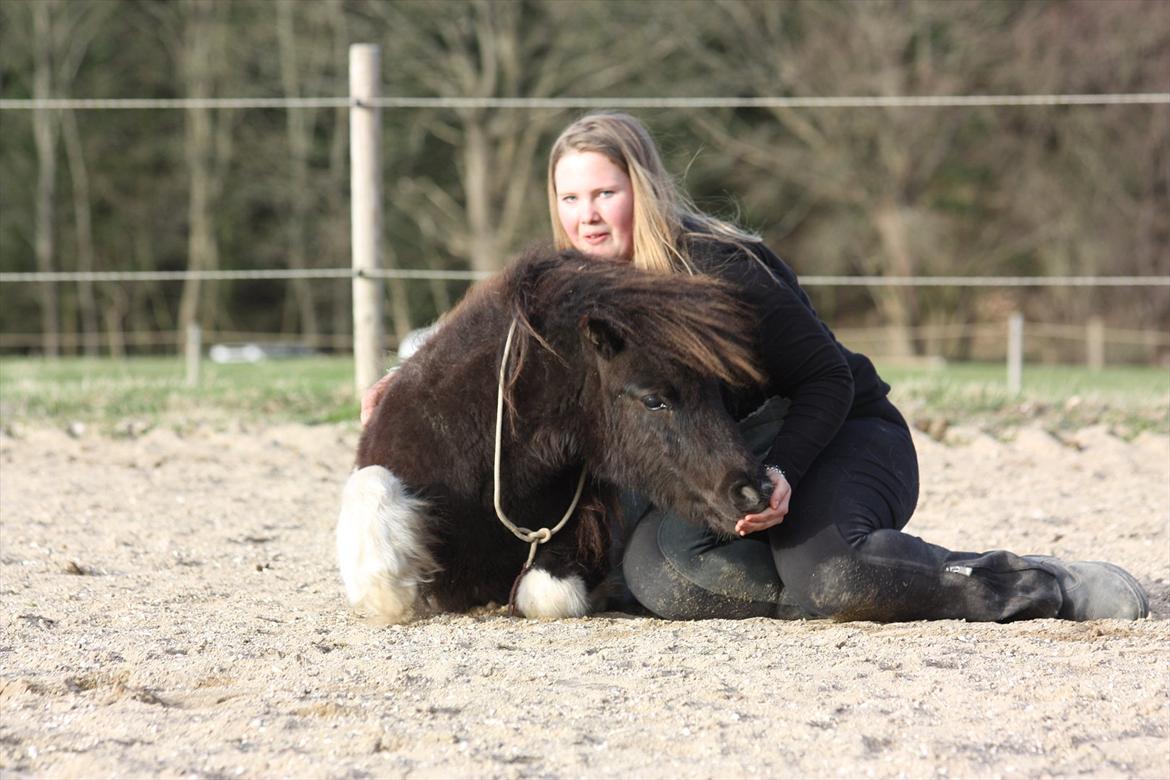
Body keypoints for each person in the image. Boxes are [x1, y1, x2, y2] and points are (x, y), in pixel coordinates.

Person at [363, 112, 1149, 622]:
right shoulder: (582, 299)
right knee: (660, 579)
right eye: (571, 200)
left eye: (605, 193)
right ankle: (833, 578)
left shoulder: (721, 268)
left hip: (836, 434)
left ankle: (1037, 583)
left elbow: (827, 380)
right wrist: (409, 376)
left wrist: (784, 472)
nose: (587, 216)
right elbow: (492, 341)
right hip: (724, 464)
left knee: (832, 576)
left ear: (642, 187)